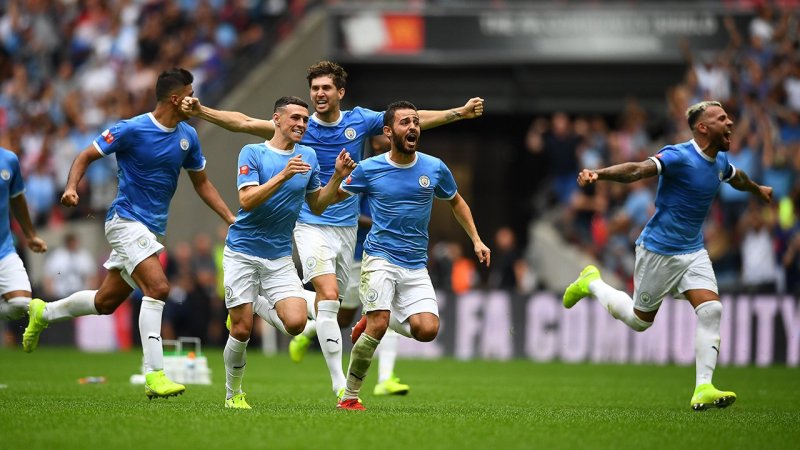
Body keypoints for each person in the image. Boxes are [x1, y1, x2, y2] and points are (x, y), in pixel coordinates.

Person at [182, 60, 485, 400]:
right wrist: (202, 111)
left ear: (340, 92)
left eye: (326, 88)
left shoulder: (360, 120)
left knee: (336, 310)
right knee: (327, 297)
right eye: (314, 88)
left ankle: (272, 309)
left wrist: (459, 113)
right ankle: (340, 385)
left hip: (346, 226)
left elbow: (408, 120)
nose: (319, 94)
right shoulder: (300, 125)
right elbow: (244, 122)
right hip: (310, 224)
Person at [22, 68, 236, 400]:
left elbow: (202, 183)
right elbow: (86, 154)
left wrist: (230, 217)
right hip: (124, 220)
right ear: (175, 99)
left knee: (105, 302)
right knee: (159, 287)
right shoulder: (132, 129)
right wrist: (71, 187)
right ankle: (154, 374)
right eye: (190, 95)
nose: (195, 101)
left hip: (151, 229)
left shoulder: (188, 137)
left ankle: (44, 312)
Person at [562, 100, 773, 411]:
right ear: (703, 127)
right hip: (658, 251)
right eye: (722, 119)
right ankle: (591, 283)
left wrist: (756, 189)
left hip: (693, 250)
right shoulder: (679, 155)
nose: (730, 123)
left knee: (712, 310)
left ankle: (703, 387)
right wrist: (599, 174)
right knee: (639, 321)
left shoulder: (719, 160)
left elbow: (736, 176)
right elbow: (637, 170)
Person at [324, 100, 491, 410]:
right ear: (388, 132)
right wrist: (336, 177)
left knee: (427, 330)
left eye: (416, 121)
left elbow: (456, 201)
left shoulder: (434, 167)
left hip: (415, 264)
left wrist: (477, 240)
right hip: (379, 258)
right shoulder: (369, 169)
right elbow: (330, 199)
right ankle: (349, 397)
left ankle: (375, 319)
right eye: (405, 122)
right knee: (377, 326)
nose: (413, 126)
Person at [222, 96, 356, 409]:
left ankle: (255, 302)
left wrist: (337, 176)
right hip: (242, 251)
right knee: (241, 329)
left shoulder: (308, 156)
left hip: (279, 255)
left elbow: (316, 205)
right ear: (277, 119)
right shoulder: (253, 152)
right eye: (295, 118)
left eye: (305, 119)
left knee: (296, 323)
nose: (301, 124)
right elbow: (246, 201)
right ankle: (233, 393)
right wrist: (283, 175)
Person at [0, 147, 48, 325]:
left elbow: (17, 198)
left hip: (3, 249)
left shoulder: (8, 160)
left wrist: (30, 235)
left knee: (21, 304)